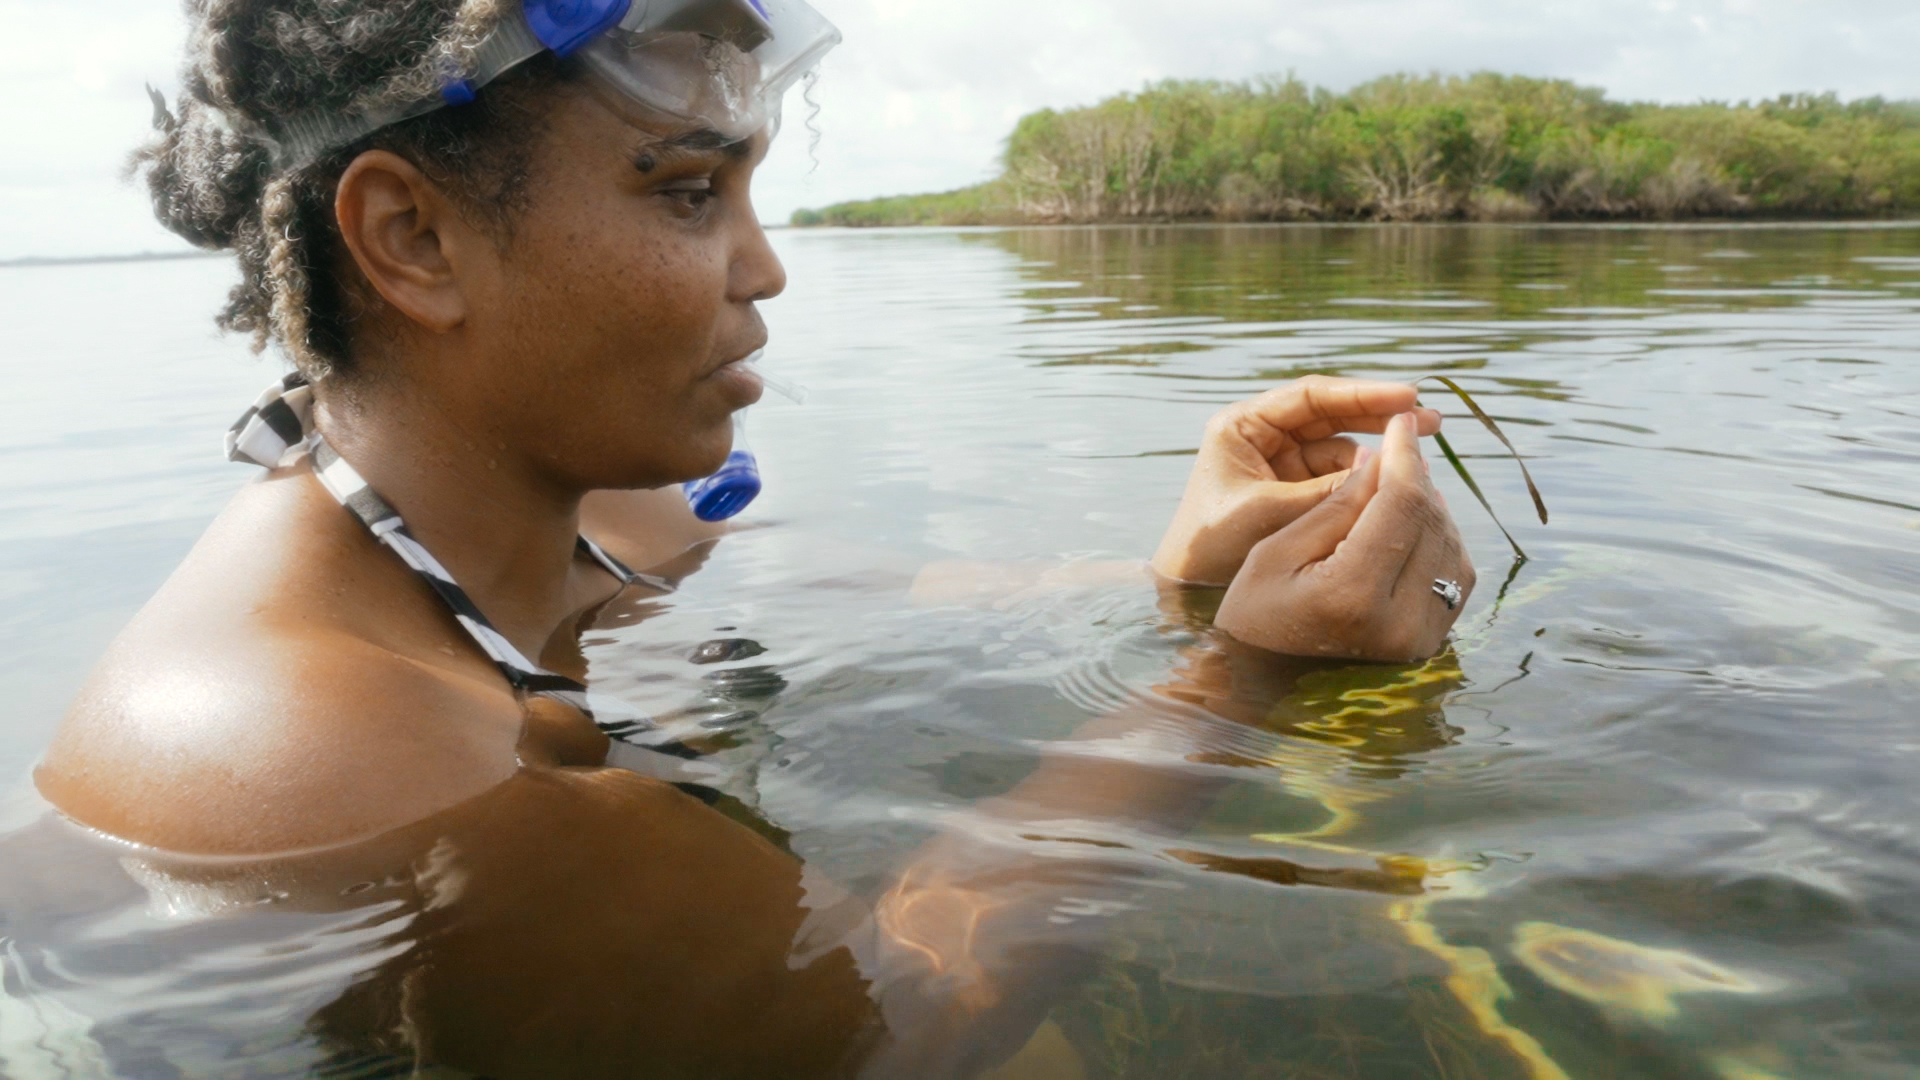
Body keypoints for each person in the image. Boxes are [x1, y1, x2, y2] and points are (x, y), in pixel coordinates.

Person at [30, 0, 1476, 1075]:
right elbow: (859, 1031)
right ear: (411, 238)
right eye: (684, 190)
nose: (766, 264)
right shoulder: (295, 736)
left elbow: (892, 591)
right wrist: (1233, 690)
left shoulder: (603, 518)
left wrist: (1181, 582)